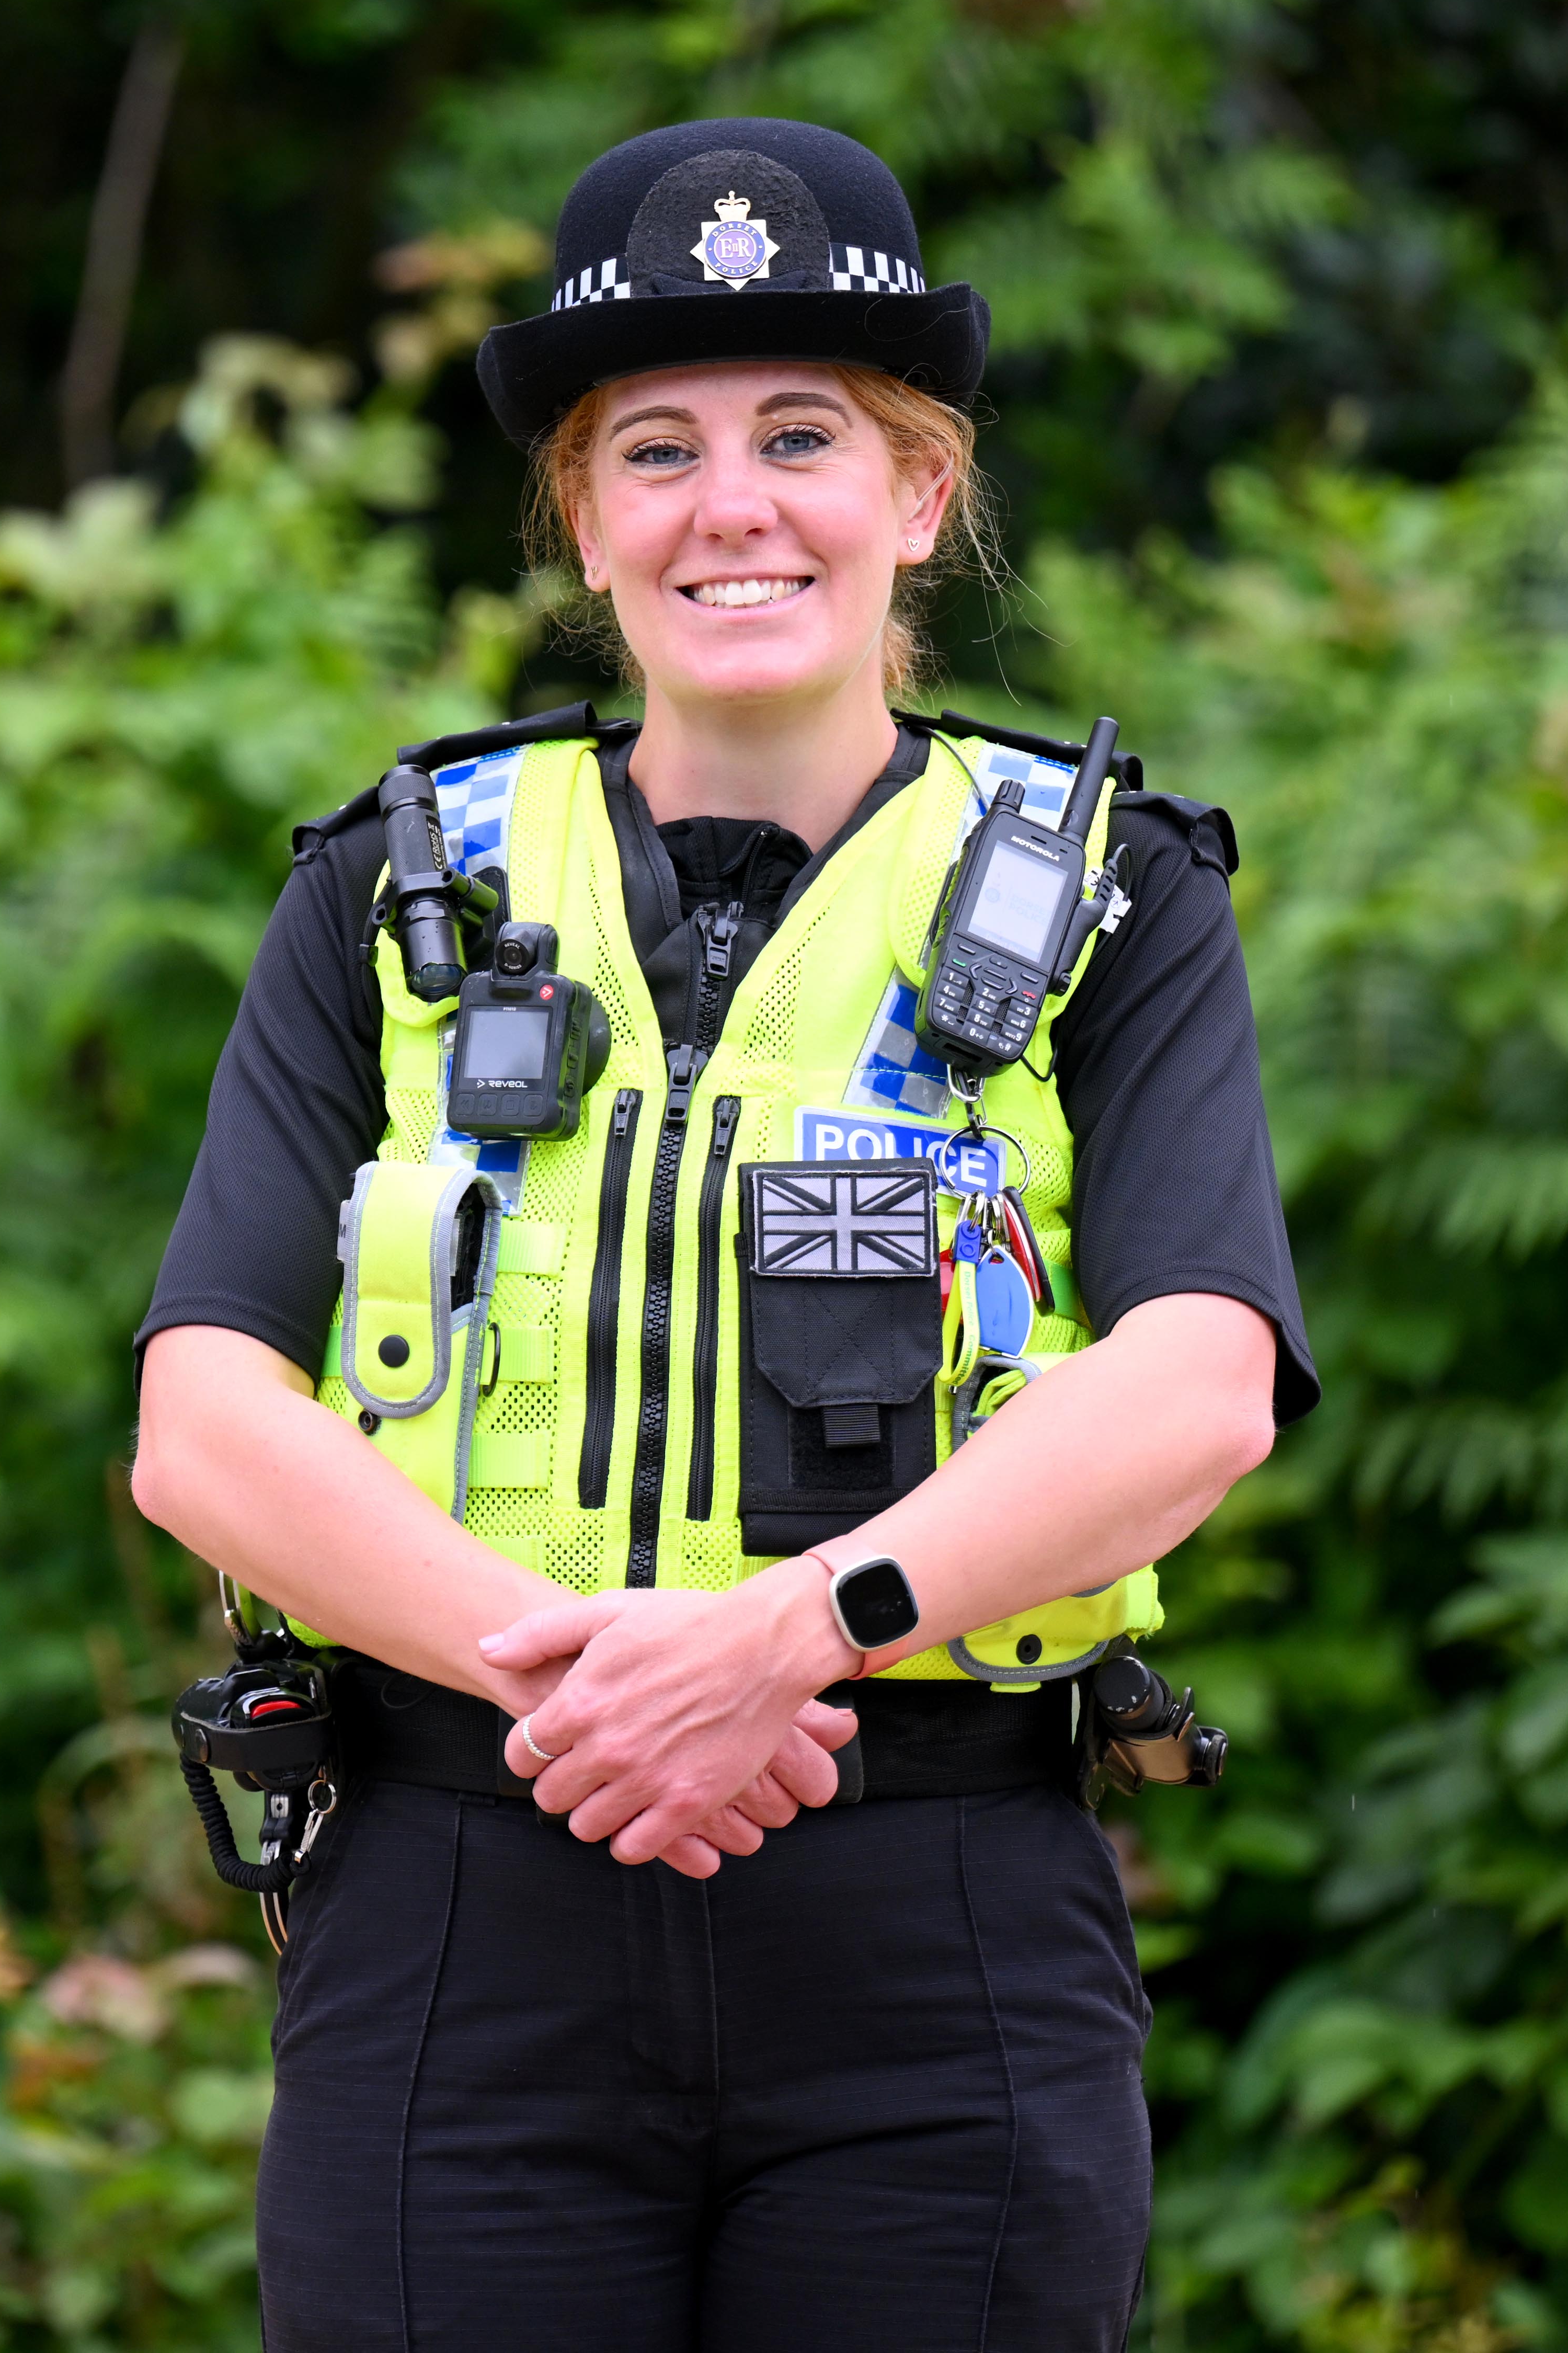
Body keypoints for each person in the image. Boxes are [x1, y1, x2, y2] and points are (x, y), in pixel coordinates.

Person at [131, 117, 1319, 2352]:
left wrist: (795, 1636)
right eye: (652, 447)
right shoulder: (387, 896)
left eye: (806, 434)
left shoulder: (1121, 895)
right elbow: (202, 1416)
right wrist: (585, 1684)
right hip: (463, 1918)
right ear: (582, 523)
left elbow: (1202, 1382)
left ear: (920, 497)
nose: (733, 502)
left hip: (933, 1932)